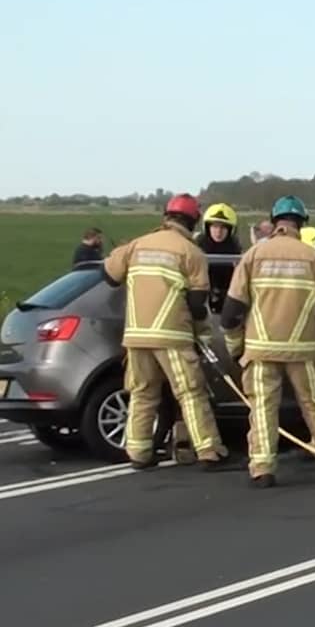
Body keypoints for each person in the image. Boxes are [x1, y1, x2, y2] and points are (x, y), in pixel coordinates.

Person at [220, 196, 315, 487]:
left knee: (263, 409)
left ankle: (263, 469)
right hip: (304, 351)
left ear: (275, 222)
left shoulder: (253, 256)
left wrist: (235, 348)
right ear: (301, 224)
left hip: (260, 349)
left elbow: (230, 314)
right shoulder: (314, 258)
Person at [101, 194, 230, 470]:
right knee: (191, 392)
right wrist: (201, 333)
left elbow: (109, 276)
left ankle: (138, 453)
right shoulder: (191, 252)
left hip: (136, 335)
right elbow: (197, 303)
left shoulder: (136, 245)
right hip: (173, 335)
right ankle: (208, 451)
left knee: (143, 393)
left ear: (166, 216)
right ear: (194, 220)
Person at [196, 203, 243, 313]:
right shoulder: (197, 247)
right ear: (207, 228)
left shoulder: (235, 249)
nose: (218, 231)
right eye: (215, 226)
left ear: (230, 230)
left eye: (223, 227)